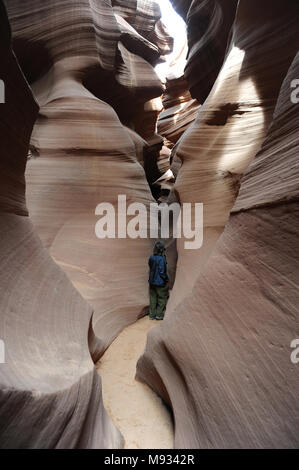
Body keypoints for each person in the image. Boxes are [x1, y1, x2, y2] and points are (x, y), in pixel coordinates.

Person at [148, 241, 169, 320]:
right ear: (161, 249)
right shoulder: (162, 259)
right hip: (160, 283)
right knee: (162, 298)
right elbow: (162, 271)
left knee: (152, 298)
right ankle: (159, 315)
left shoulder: (151, 257)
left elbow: (150, 266)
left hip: (152, 282)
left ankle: (152, 315)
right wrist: (166, 279)